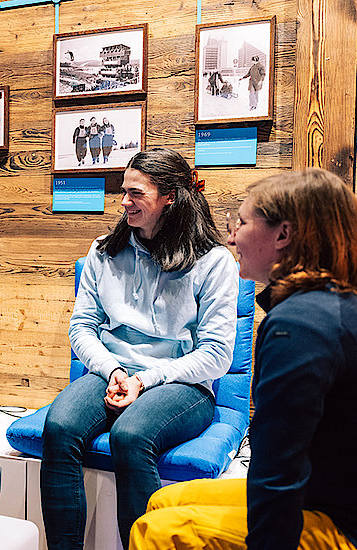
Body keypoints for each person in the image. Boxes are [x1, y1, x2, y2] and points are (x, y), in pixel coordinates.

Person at [129, 168, 357, 550]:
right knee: (163, 500)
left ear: (282, 235)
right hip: (320, 492)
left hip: (339, 518)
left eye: (242, 222)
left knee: (159, 531)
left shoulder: (299, 327)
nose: (231, 236)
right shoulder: (322, 305)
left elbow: (278, 468)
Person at [40, 148, 239, 549]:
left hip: (181, 383)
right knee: (59, 427)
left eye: (136, 193)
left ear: (171, 197)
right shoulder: (103, 250)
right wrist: (113, 370)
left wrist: (145, 381)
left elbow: (216, 355)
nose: (124, 202)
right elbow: (82, 327)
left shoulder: (214, 262)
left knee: (130, 436)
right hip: (111, 372)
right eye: (123, 191)